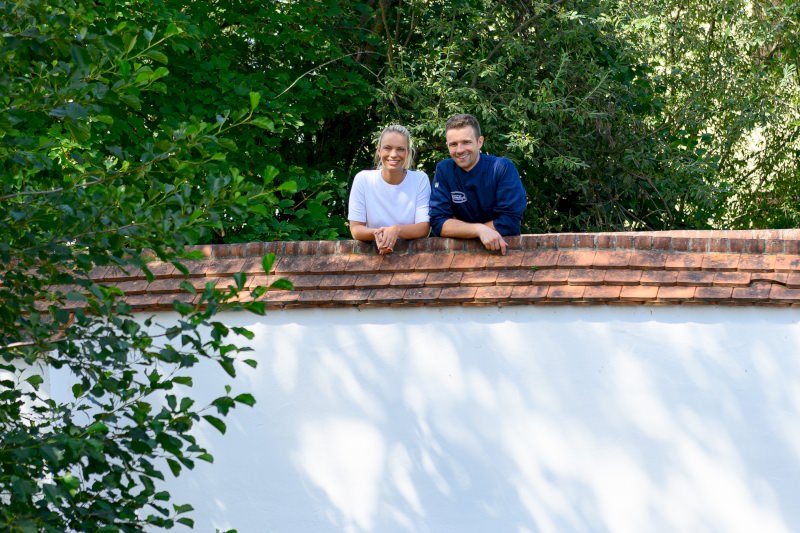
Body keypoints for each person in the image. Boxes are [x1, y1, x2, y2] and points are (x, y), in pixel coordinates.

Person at [429, 114, 527, 255]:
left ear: (479, 142)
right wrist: (479, 230)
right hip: (459, 257)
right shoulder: (444, 170)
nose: (460, 150)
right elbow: (438, 222)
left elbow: (509, 220)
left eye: (466, 142)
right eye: (453, 144)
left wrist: (460, 228)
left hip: (503, 253)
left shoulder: (501, 168)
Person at [348, 124, 431, 254]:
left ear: (408, 152)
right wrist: (377, 234)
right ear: (379, 150)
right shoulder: (363, 179)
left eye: (400, 149)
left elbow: (424, 228)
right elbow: (356, 229)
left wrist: (396, 230)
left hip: (412, 257)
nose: (393, 154)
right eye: (387, 148)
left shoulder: (420, 179)